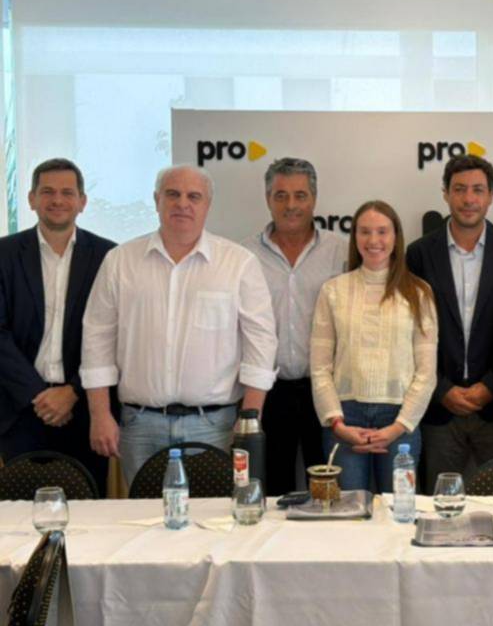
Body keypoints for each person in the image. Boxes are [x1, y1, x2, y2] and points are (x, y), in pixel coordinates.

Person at [81, 164, 278, 486]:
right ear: (156, 200)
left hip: (215, 427)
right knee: (144, 515)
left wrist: (249, 423)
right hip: (140, 426)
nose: (182, 203)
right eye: (173, 194)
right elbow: (96, 340)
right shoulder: (120, 261)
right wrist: (100, 415)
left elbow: (261, 346)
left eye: (193, 196)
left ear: (207, 204)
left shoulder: (238, 263)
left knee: (213, 515)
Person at [406, 154, 493, 492]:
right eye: (459, 189)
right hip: (438, 410)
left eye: (478, 190)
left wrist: (491, 386)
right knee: (438, 506)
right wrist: (442, 389)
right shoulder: (419, 253)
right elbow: (409, 331)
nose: (468, 199)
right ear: (445, 194)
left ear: (491, 196)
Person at [0, 158, 115, 492]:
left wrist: (73, 391)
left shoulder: (109, 257)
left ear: (82, 201)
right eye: (47, 191)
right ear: (31, 199)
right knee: (21, 510)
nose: (57, 200)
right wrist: (37, 395)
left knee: (87, 509)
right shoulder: (4, 254)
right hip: (21, 410)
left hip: (86, 409)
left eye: (67, 192)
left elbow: (115, 334)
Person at [310, 201, 437, 493]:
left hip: (400, 419)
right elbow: (319, 367)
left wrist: (398, 427)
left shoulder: (419, 293)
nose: (373, 240)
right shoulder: (333, 291)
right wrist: (337, 424)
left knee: (398, 511)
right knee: (348, 512)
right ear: (355, 237)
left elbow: (426, 371)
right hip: (345, 418)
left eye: (382, 231)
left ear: (396, 237)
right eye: (365, 232)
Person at [242, 157, 347, 495]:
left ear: (314, 199)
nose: (291, 205)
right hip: (268, 390)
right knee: (273, 489)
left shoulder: (341, 252)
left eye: (300, 195)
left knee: (329, 488)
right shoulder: (244, 256)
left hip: (326, 389)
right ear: (267, 198)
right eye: (281, 195)